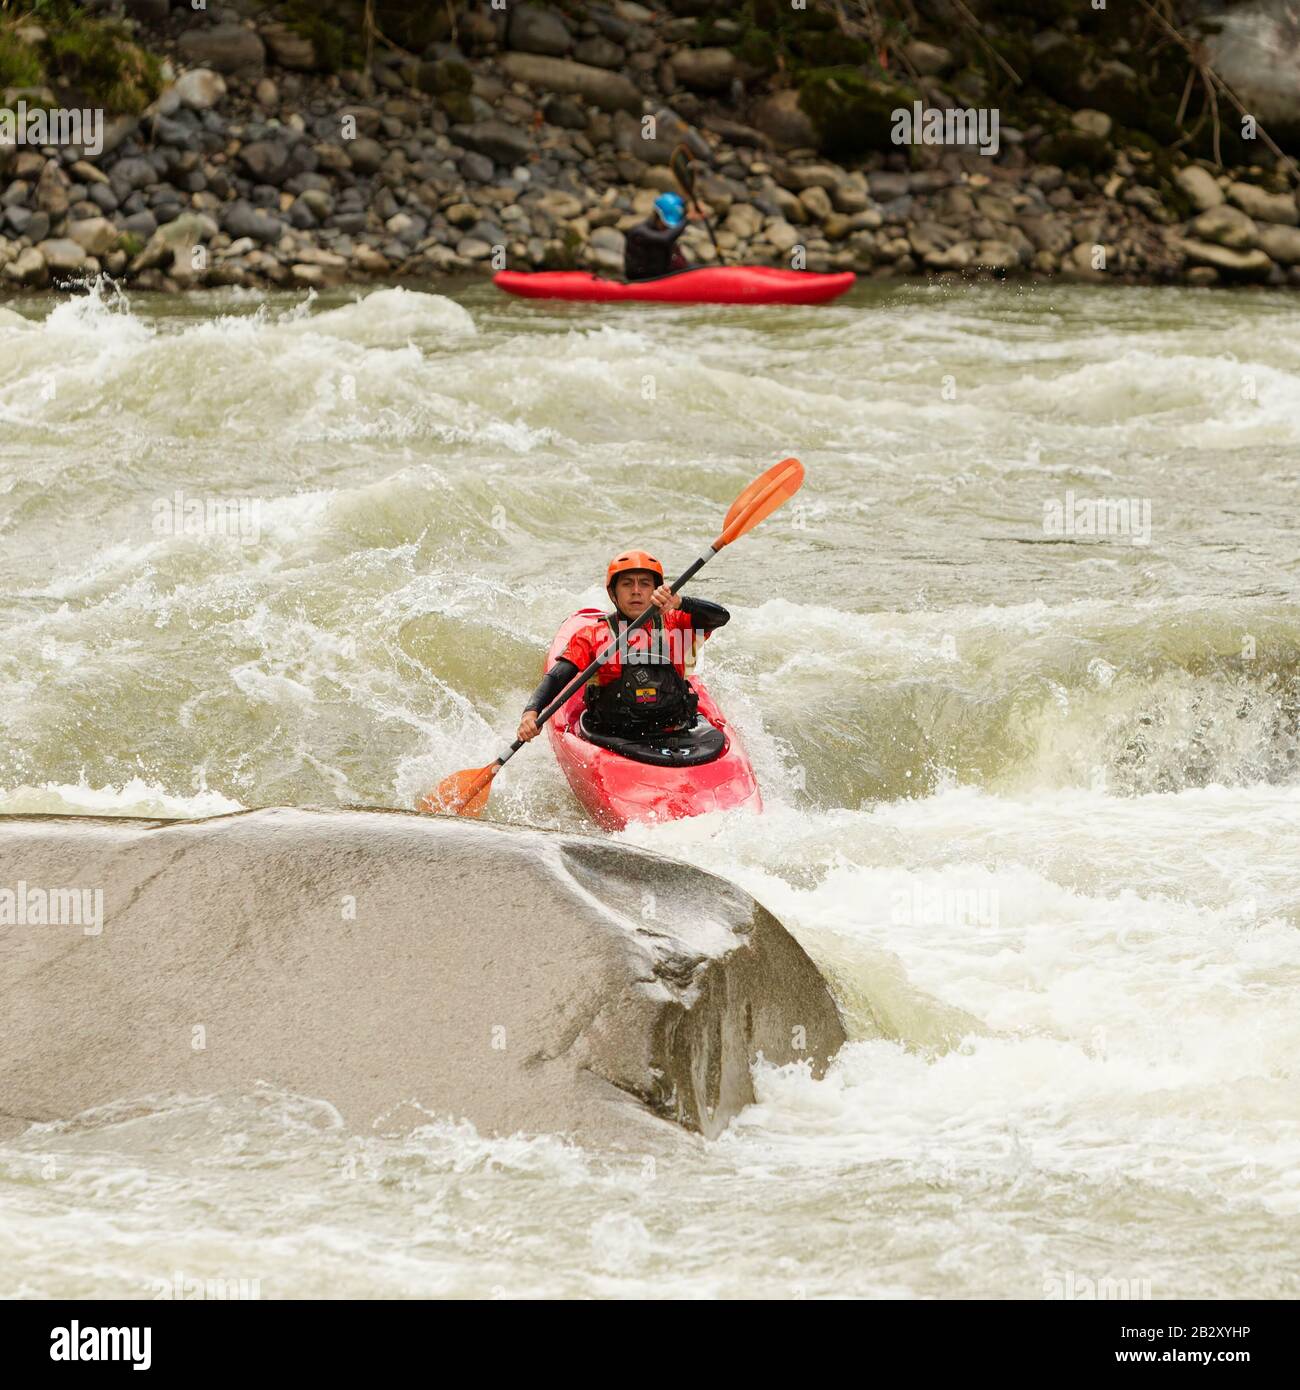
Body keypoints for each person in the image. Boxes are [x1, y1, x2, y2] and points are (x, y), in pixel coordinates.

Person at [518, 551, 729, 744]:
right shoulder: (593, 636)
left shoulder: (676, 624)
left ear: (657, 590)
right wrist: (531, 712)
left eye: (645, 584)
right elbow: (557, 677)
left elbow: (721, 617)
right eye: (627, 584)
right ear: (613, 594)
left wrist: (681, 602)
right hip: (614, 736)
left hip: (674, 730)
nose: (636, 591)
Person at [623, 192, 708, 282]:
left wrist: (694, 209)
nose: (668, 228)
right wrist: (688, 219)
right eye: (666, 224)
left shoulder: (664, 230)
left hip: (666, 274)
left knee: (702, 269)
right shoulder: (639, 232)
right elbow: (665, 239)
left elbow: (682, 213)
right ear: (657, 216)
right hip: (643, 279)